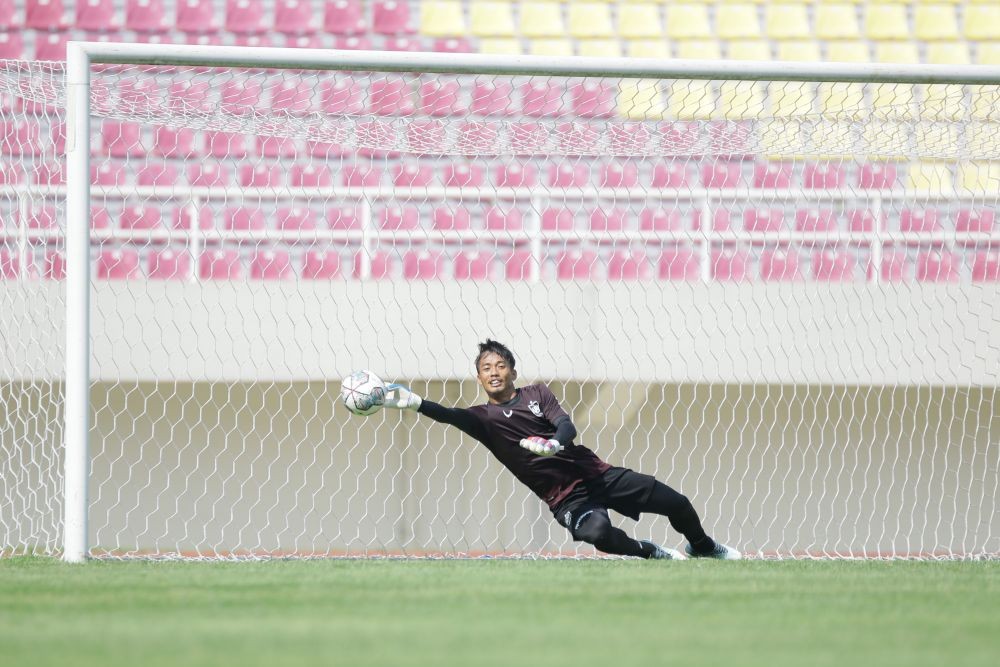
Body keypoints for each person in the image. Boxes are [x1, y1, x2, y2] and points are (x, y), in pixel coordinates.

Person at [379, 339, 740, 560]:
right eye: (486, 368)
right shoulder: (483, 419)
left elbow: (567, 424)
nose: (493, 372)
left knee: (676, 502)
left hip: (596, 473)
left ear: (513, 372)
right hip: (567, 498)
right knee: (599, 535)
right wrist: (413, 402)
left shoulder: (538, 394)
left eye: (500, 365)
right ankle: (650, 551)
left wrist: (553, 444)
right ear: (479, 377)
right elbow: (448, 415)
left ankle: (703, 546)